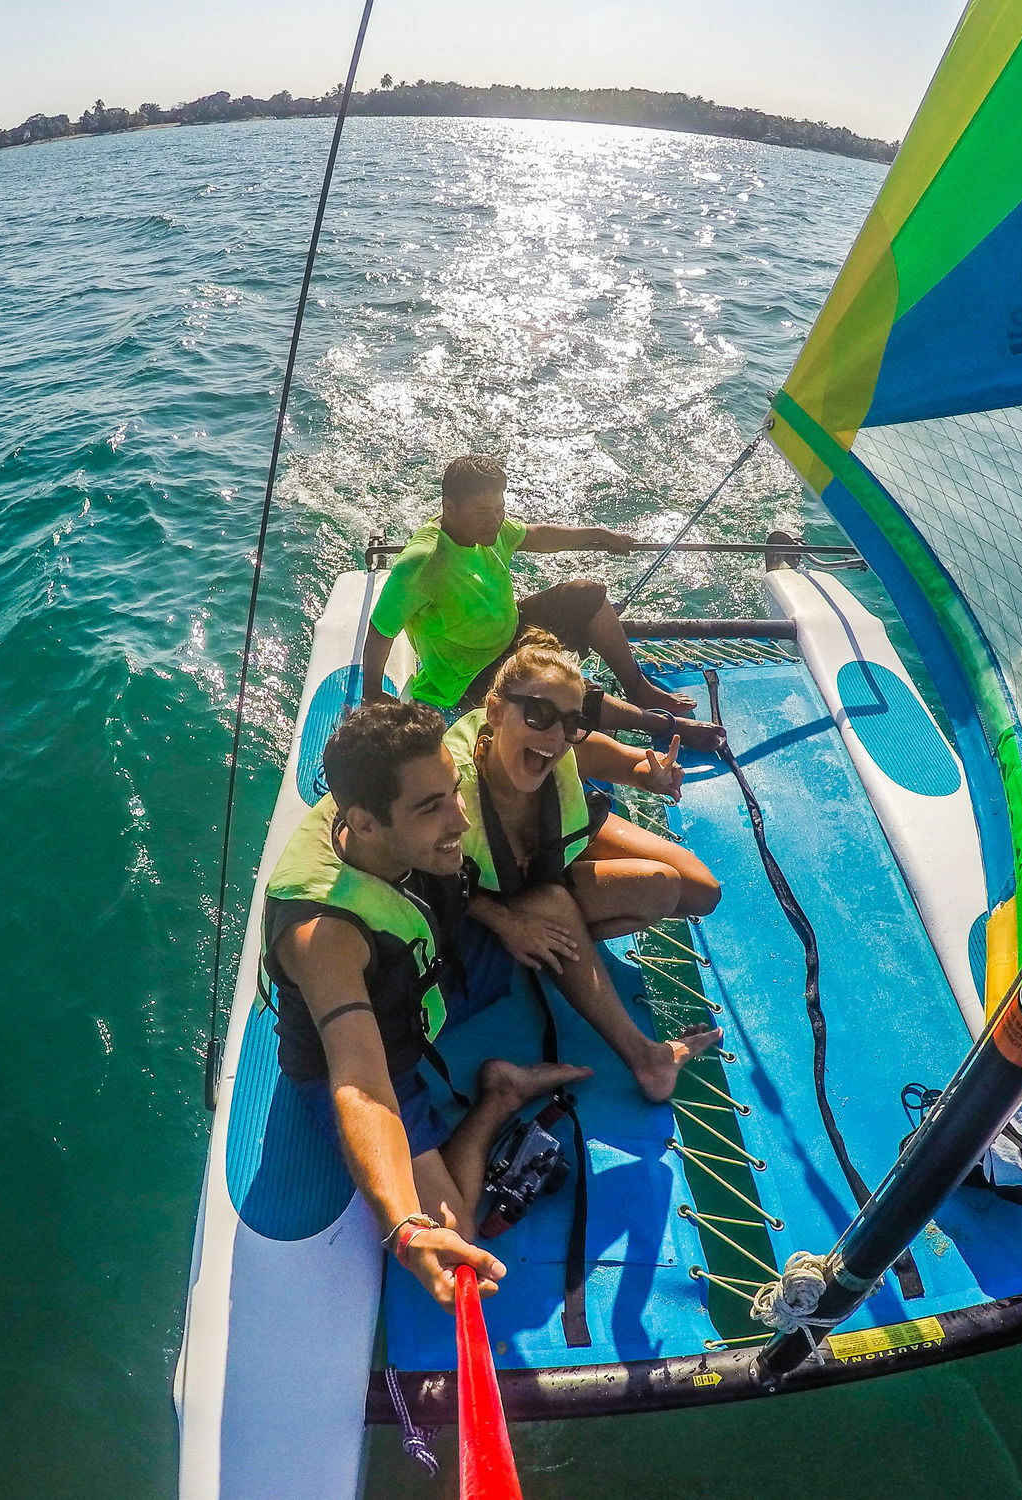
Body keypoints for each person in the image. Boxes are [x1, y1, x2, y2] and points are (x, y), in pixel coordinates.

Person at [262, 700, 714, 1308]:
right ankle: (500, 1092)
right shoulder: (325, 937)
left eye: (453, 791)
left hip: (439, 971)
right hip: (383, 1047)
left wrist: (505, 920)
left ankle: (644, 1057)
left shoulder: (403, 812)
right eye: (432, 808)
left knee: (571, 905)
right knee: (454, 1232)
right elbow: (360, 1082)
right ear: (365, 823)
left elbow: (546, 730)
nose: (458, 818)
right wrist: (403, 1227)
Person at [361, 453, 723, 748]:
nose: (495, 520)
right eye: (482, 513)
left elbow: (534, 535)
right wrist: (373, 693)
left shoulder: (489, 527)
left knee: (586, 595)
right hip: (468, 675)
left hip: (511, 629)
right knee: (556, 694)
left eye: (499, 508)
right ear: (449, 508)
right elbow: (380, 629)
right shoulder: (421, 563)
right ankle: (658, 724)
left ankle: (639, 689)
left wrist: (596, 534)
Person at [448, 633, 722, 964]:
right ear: (495, 711)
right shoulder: (449, 784)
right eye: (539, 713)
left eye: (571, 722)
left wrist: (655, 776)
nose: (554, 735)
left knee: (702, 892)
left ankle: (558, 931)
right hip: (493, 886)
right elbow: (422, 871)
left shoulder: (566, 745)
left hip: (559, 847)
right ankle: (535, 925)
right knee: (662, 889)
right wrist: (503, 921)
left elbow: (633, 763)